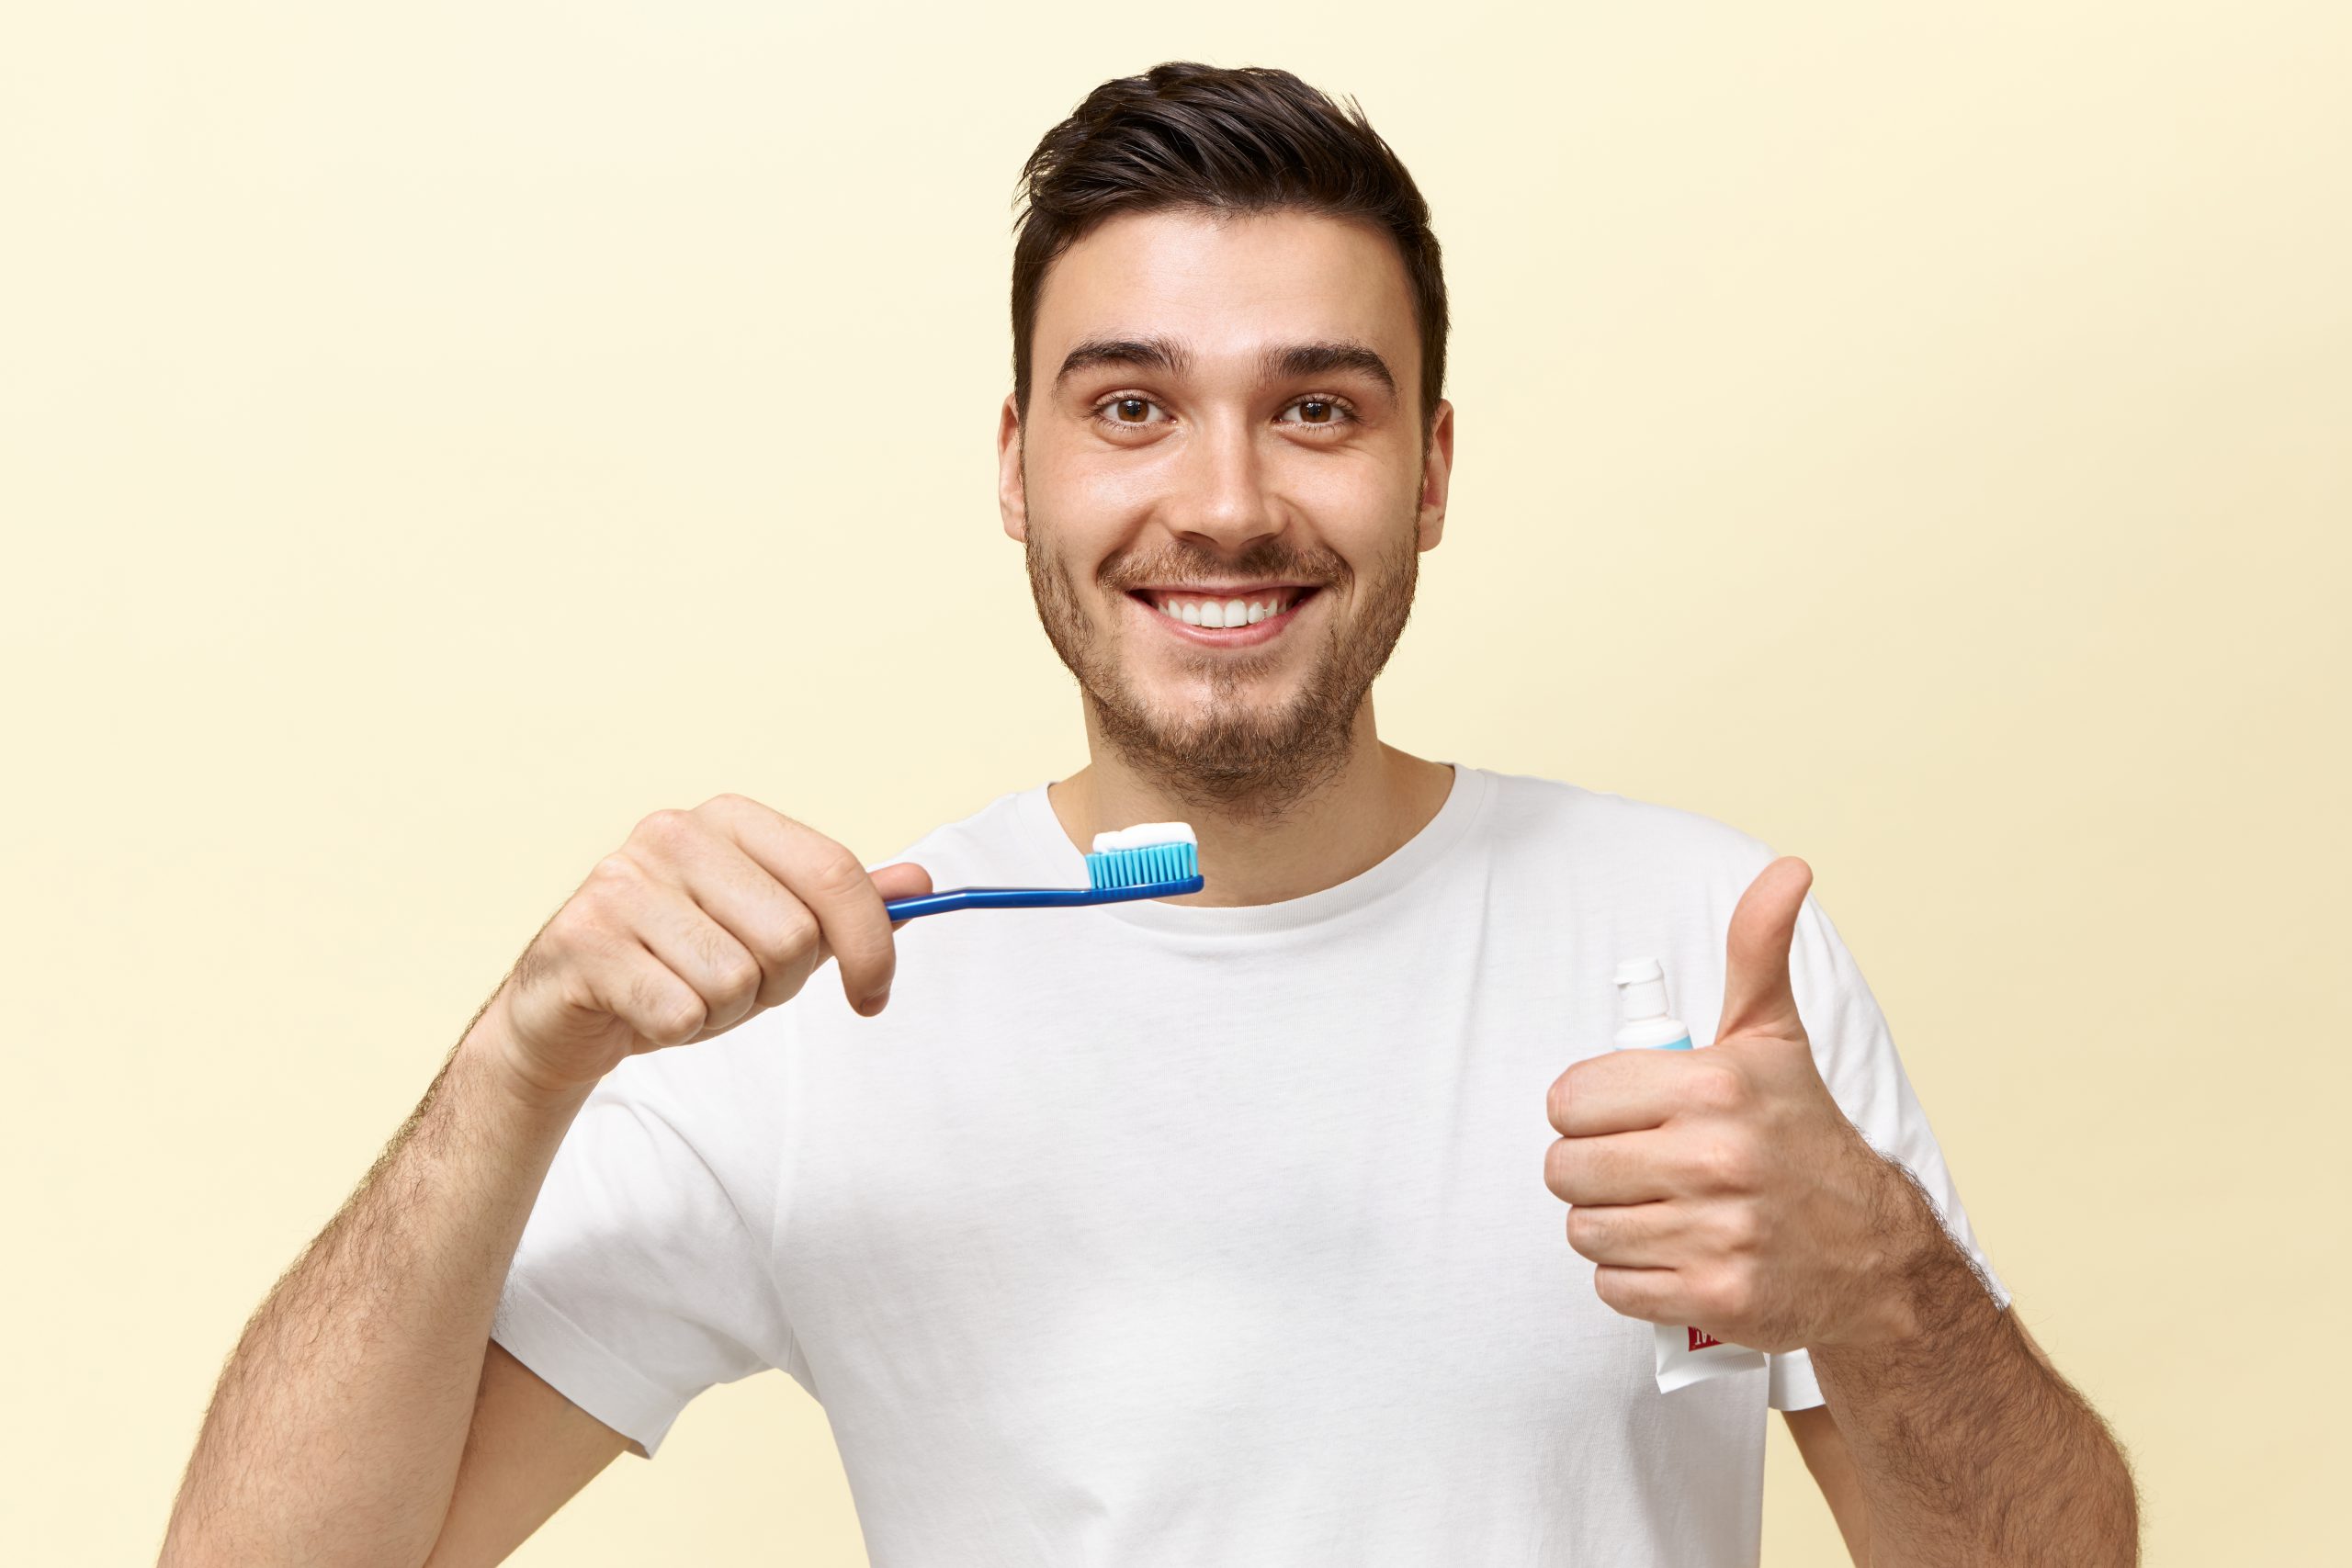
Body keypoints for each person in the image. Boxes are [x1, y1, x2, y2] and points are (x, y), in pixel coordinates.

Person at [162, 62, 2138, 1568]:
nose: (1220, 499)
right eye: (1128, 406)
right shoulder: (835, 990)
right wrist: (516, 1063)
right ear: (1013, 464)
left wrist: (1877, 1277)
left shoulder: (1703, 949)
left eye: (1317, 406)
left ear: (1429, 467)